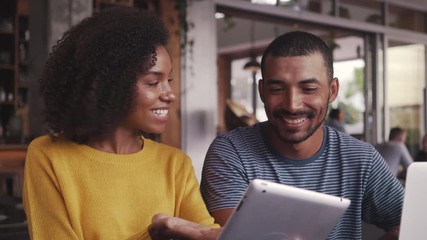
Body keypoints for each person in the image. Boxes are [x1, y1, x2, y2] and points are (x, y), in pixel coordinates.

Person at [22, 7, 218, 239]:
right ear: (110, 85)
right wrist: (156, 233)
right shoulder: (48, 157)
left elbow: (207, 235)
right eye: (153, 83)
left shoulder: (176, 165)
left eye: (169, 80)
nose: (170, 95)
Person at [199, 31, 404, 239]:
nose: (292, 105)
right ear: (262, 91)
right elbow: (238, 237)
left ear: (332, 91)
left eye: (308, 89)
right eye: (277, 89)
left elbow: (413, 223)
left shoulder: (361, 159)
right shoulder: (231, 153)